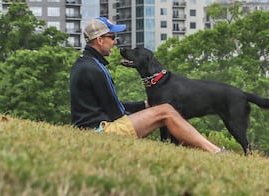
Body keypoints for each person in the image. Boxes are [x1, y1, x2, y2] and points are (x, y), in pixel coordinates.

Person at [70, 17, 224, 153]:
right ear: (99, 40)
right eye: (112, 37)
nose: (115, 42)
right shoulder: (97, 70)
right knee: (166, 111)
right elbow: (116, 113)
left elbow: (107, 105)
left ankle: (199, 149)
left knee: (159, 110)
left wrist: (144, 106)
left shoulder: (83, 63)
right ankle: (214, 151)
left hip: (88, 128)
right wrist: (150, 117)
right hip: (101, 131)